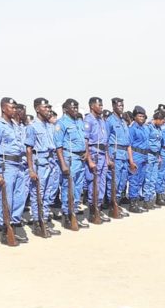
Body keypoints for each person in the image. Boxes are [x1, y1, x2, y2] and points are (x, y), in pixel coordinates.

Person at [0, 97, 30, 243]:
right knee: (6, 199)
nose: (14, 110)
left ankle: (14, 225)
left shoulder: (15, 125)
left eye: (15, 107)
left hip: (19, 165)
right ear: (3, 108)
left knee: (19, 198)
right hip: (6, 166)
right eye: (11, 107)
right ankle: (5, 229)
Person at [26, 98, 62, 236]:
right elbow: (28, 149)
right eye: (45, 107)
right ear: (37, 109)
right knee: (38, 194)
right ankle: (38, 223)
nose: (48, 109)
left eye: (49, 107)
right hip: (39, 162)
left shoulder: (51, 126)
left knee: (49, 193)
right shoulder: (32, 127)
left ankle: (45, 221)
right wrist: (31, 169)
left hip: (51, 161)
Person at [55, 99, 89, 229]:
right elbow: (58, 147)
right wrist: (63, 164)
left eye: (76, 107)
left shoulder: (79, 121)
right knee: (68, 187)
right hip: (70, 158)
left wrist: (86, 152)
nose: (75, 110)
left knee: (78, 188)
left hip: (80, 158)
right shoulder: (61, 123)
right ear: (65, 109)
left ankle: (74, 212)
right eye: (73, 108)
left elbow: (84, 139)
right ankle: (67, 215)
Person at [82, 97, 111, 222]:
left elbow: (106, 142)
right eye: (99, 105)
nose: (101, 107)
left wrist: (108, 158)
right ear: (92, 106)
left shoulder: (101, 120)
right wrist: (89, 160)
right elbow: (85, 141)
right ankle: (93, 211)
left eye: (102, 105)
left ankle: (98, 207)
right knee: (94, 183)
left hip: (103, 154)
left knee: (102, 182)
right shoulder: (88, 120)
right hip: (94, 154)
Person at [106, 98, 132, 210]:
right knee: (114, 181)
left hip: (124, 155)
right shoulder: (110, 121)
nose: (121, 107)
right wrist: (108, 158)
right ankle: (112, 204)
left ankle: (117, 203)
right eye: (119, 105)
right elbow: (105, 141)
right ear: (113, 107)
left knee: (122, 181)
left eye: (122, 105)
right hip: (115, 155)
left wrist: (130, 159)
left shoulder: (123, 122)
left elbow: (128, 142)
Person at [126, 106, 151, 212]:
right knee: (134, 180)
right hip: (136, 156)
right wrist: (131, 161)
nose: (141, 118)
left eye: (143, 116)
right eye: (139, 116)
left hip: (144, 157)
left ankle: (137, 202)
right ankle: (132, 204)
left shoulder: (145, 128)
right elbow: (129, 145)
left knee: (140, 181)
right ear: (135, 117)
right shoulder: (132, 129)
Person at [147, 110, 165, 206]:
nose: (163, 123)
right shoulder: (148, 127)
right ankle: (146, 200)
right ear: (158, 119)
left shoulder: (159, 128)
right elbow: (146, 141)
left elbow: (159, 143)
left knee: (153, 178)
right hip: (149, 155)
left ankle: (151, 199)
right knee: (148, 179)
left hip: (156, 155)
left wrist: (159, 155)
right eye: (163, 121)